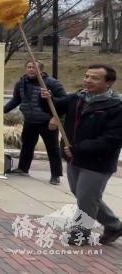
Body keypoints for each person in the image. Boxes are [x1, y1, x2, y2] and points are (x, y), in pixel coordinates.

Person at [41, 65, 122, 246]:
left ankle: (81, 233)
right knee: (83, 195)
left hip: (98, 162)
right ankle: (114, 225)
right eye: (86, 76)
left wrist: (78, 148)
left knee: (86, 197)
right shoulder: (78, 98)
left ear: (109, 83)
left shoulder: (116, 107)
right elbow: (53, 108)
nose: (87, 80)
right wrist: (47, 98)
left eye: (94, 78)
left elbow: (112, 140)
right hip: (74, 158)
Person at [4, 60, 66, 184]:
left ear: (41, 70)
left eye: (34, 67)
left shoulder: (52, 83)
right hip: (30, 120)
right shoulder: (21, 83)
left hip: (47, 122)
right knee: (27, 145)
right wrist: (1, 111)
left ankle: (56, 175)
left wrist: (56, 119)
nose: (31, 69)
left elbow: (64, 102)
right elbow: (15, 101)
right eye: (29, 67)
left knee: (53, 149)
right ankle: (23, 168)